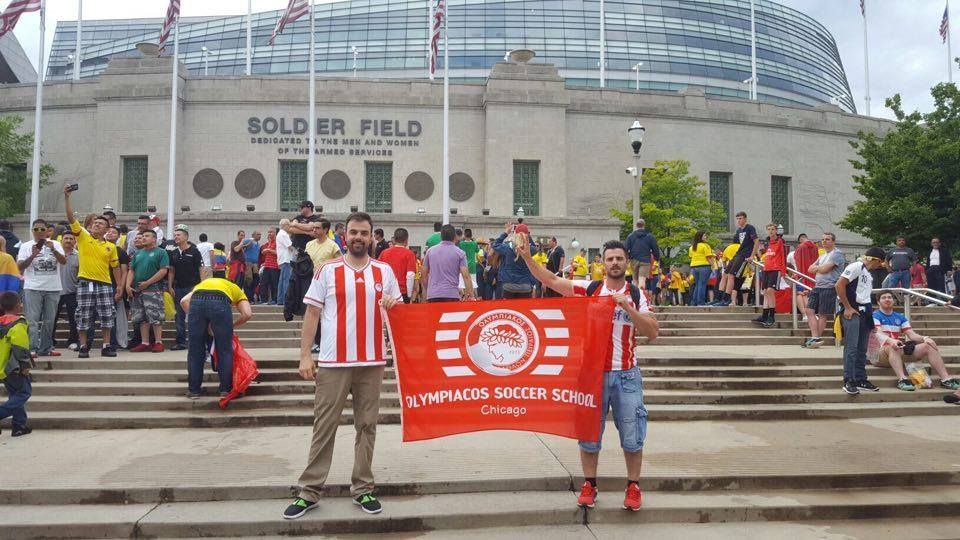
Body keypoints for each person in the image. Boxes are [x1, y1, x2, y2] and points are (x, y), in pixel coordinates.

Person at [516, 237, 658, 511]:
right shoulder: (591, 289)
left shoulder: (637, 295)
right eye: (610, 259)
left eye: (619, 259)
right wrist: (527, 257)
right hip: (592, 375)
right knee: (589, 435)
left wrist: (628, 308)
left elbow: (652, 331)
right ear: (602, 263)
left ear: (626, 263)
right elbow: (551, 280)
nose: (614, 263)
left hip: (626, 375)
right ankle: (589, 484)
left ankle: (633, 486)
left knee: (632, 435)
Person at [284, 212, 402, 519]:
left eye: (364, 232)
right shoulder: (328, 270)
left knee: (367, 426)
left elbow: (400, 313)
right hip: (333, 361)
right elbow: (312, 314)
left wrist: (394, 306)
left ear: (372, 236)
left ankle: (363, 488)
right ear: (344, 235)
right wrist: (305, 355)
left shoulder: (384, 271)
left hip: (372, 361)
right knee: (324, 426)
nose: (359, 237)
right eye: (353, 232)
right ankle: (309, 491)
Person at [64, 185, 121, 358]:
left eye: (101, 223)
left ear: (107, 230)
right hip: (85, 282)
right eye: (95, 223)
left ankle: (106, 345)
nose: (96, 224)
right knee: (83, 315)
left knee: (107, 316)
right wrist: (67, 198)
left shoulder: (111, 247)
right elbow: (70, 218)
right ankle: (83, 347)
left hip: (105, 284)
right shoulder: (83, 237)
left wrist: (119, 286)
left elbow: (115, 267)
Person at [179, 277, 253, 399]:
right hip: (220, 301)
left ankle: (194, 390)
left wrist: (199, 319)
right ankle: (225, 389)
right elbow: (247, 314)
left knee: (195, 351)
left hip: (197, 301)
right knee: (225, 350)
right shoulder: (236, 289)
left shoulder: (204, 284)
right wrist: (230, 325)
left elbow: (183, 301)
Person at [871, 291, 960, 391]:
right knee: (893, 346)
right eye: (884, 298)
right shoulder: (874, 316)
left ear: (893, 300)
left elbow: (912, 335)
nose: (887, 299)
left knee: (928, 345)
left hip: (896, 352)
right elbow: (878, 333)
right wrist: (892, 341)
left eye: (889, 297)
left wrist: (925, 338)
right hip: (878, 355)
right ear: (878, 302)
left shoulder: (900, 317)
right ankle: (902, 379)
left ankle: (946, 379)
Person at [835, 247, 886, 396]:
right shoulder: (856, 266)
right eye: (880, 262)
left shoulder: (867, 274)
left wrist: (870, 321)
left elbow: (865, 297)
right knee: (851, 348)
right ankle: (849, 380)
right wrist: (847, 307)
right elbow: (839, 285)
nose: (879, 266)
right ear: (877, 260)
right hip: (853, 310)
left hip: (865, 312)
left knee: (862, 349)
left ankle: (860, 378)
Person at [17, 219, 67, 357]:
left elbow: (63, 261)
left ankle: (46, 347)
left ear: (47, 231)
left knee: (49, 320)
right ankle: (32, 347)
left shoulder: (56, 244)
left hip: (53, 287)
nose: (39, 232)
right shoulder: (26, 246)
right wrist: (33, 255)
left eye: (42, 229)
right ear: (32, 231)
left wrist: (53, 249)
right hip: (32, 287)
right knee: (32, 320)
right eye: (36, 229)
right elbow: (19, 267)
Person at [127, 230, 169, 353]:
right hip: (138, 290)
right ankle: (145, 342)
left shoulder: (161, 252)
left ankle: (158, 342)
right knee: (141, 318)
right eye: (142, 236)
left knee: (156, 317)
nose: (143, 238)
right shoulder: (137, 253)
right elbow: (131, 270)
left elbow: (163, 270)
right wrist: (127, 285)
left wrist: (148, 282)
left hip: (153, 289)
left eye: (147, 236)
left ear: (154, 239)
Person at [804, 232, 844, 349]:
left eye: (827, 239)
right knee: (809, 310)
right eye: (823, 239)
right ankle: (815, 337)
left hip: (829, 287)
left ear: (833, 241)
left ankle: (816, 339)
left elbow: (824, 269)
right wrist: (819, 268)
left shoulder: (837, 254)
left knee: (822, 314)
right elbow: (810, 269)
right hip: (818, 286)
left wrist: (818, 268)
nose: (824, 241)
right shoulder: (822, 255)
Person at [0, 291, 32, 437]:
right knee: (24, 392)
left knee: (14, 393)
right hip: (13, 366)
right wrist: (25, 365)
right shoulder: (18, 324)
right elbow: (20, 347)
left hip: (2, 367)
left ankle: (19, 426)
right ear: (19, 305)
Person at [167, 225, 202, 350]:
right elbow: (171, 271)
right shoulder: (174, 253)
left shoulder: (194, 251)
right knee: (179, 315)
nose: (176, 237)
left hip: (193, 287)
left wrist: (202, 286)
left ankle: (197, 341)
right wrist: (170, 286)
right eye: (175, 235)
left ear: (186, 237)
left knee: (195, 314)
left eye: (179, 235)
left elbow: (201, 268)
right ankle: (180, 342)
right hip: (178, 288)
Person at [422, 224, 473, 302]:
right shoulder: (460, 253)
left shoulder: (430, 251)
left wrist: (429, 289)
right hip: (452, 294)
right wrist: (469, 295)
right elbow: (466, 276)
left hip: (433, 294)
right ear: (454, 236)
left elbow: (424, 274)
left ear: (441, 236)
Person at [720, 212, 760, 306]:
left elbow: (756, 241)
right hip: (738, 253)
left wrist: (752, 255)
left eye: (740, 218)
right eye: (737, 219)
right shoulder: (739, 230)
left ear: (745, 219)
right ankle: (720, 296)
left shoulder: (750, 228)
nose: (739, 220)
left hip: (745, 254)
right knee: (725, 273)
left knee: (731, 275)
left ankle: (727, 298)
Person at [491, 222, 537, 299]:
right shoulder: (530, 250)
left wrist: (506, 232)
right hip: (525, 285)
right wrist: (527, 235)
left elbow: (495, 244)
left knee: (509, 306)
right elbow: (535, 247)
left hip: (509, 284)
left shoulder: (507, 248)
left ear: (515, 235)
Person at [753, 224, 786, 328]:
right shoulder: (767, 242)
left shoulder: (779, 241)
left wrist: (783, 270)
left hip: (775, 269)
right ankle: (764, 315)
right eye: (769, 229)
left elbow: (782, 255)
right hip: (766, 269)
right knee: (765, 292)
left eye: (772, 229)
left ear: (776, 231)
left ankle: (771, 316)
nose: (771, 231)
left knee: (770, 291)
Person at [378, 228, 418, 303]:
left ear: (394, 239)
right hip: (402, 292)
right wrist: (409, 295)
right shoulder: (409, 254)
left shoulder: (384, 253)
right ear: (406, 240)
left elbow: (378, 271)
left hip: (386, 291)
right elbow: (410, 275)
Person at [55, 231, 80, 350]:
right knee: (52, 318)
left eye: (71, 238)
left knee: (74, 318)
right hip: (55, 290)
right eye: (66, 238)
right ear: (61, 241)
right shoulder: (55, 254)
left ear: (75, 241)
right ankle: (50, 341)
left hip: (72, 291)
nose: (69, 241)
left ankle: (73, 340)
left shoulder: (79, 256)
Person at [623, 219, 661, 289]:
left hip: (634, 260)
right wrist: (657, 258)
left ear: (636, 226)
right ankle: (640, 294)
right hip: (645, 260)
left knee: (635, 280)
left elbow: (625, 248)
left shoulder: (630, 236)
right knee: (642, 280)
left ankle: (635, 294)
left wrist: (627, 257)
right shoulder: (650, 236)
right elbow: (655, 249)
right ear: (644, 225)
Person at [688, 230, 714, 306]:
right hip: (704, 266)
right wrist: (713, 266)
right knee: (702, 284)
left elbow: (691, 257)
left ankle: (694, 302)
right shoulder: (705, 246)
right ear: (700, 237)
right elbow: (709, 257)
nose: (706, 237)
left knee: (698, 284)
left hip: (694, 267)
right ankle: (701, 302)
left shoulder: (691, 247)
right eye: (704, 235)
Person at [276, 219, 295, 306]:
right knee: (286, 280)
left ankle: (280, 299)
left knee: (282, 280)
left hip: (283, 259)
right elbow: (290, 246)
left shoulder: (280, 234)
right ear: (284, 225)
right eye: (288, 225)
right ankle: (286, 300)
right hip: (286, 259)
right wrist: (297, 252)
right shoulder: (283, 234)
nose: (289, 227)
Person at [260, 228, 280, 305]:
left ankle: (275, 299)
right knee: (263, 282)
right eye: (268, 232)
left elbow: (279, 253)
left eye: (271, 232)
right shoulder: (270, 242)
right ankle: (264, 300)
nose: (269, 233)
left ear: (275, 233)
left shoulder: (278, 241)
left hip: (274, 266)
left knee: (274, 284)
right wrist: (266, 251)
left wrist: (268, 250)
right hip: (267, 265)